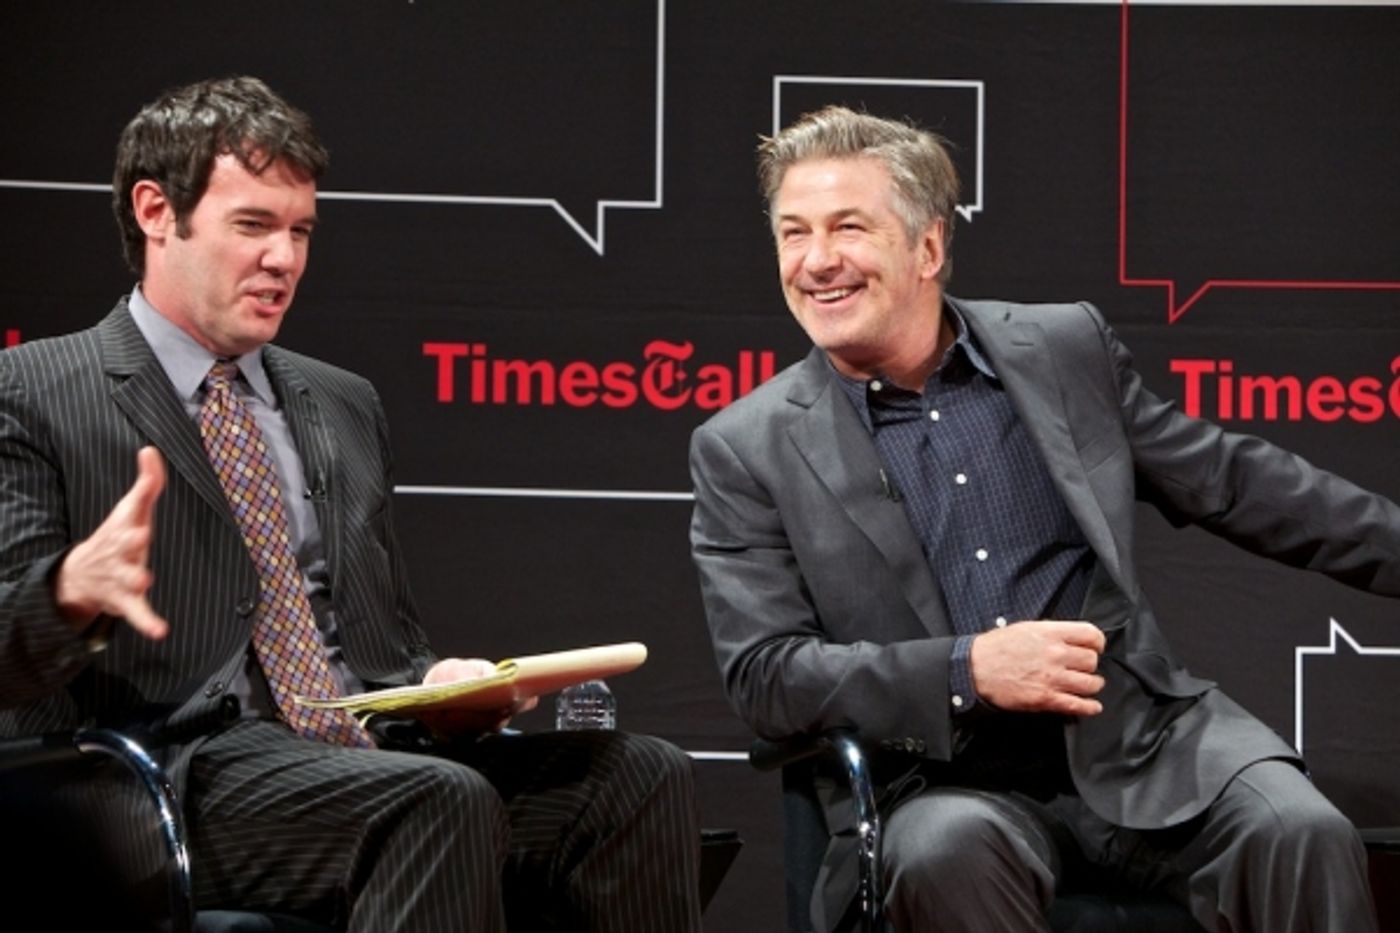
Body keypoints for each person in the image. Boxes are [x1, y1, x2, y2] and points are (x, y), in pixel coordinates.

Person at [0, 75, 702, 933]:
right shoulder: (33, 390)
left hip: (362, 757)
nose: (284, 259)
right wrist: (70, 592)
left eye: (300, 231)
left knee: (638, 777)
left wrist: (437, 688)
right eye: (253, 225)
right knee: (430, 804)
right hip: (166, 778)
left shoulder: (341, 401)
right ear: (155, 211)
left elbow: (381, 646)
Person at [688, 104, 1400, 933]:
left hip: (1141, 740)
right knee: (945, 852)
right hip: (941, 783)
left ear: (928, 247)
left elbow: (1238, 482)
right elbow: (768, 677)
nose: (816, 262)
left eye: (848, 227)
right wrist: (966, 669)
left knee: (1300, 829)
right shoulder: (746, 446)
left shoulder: (1064, 349)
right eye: (792, 232)